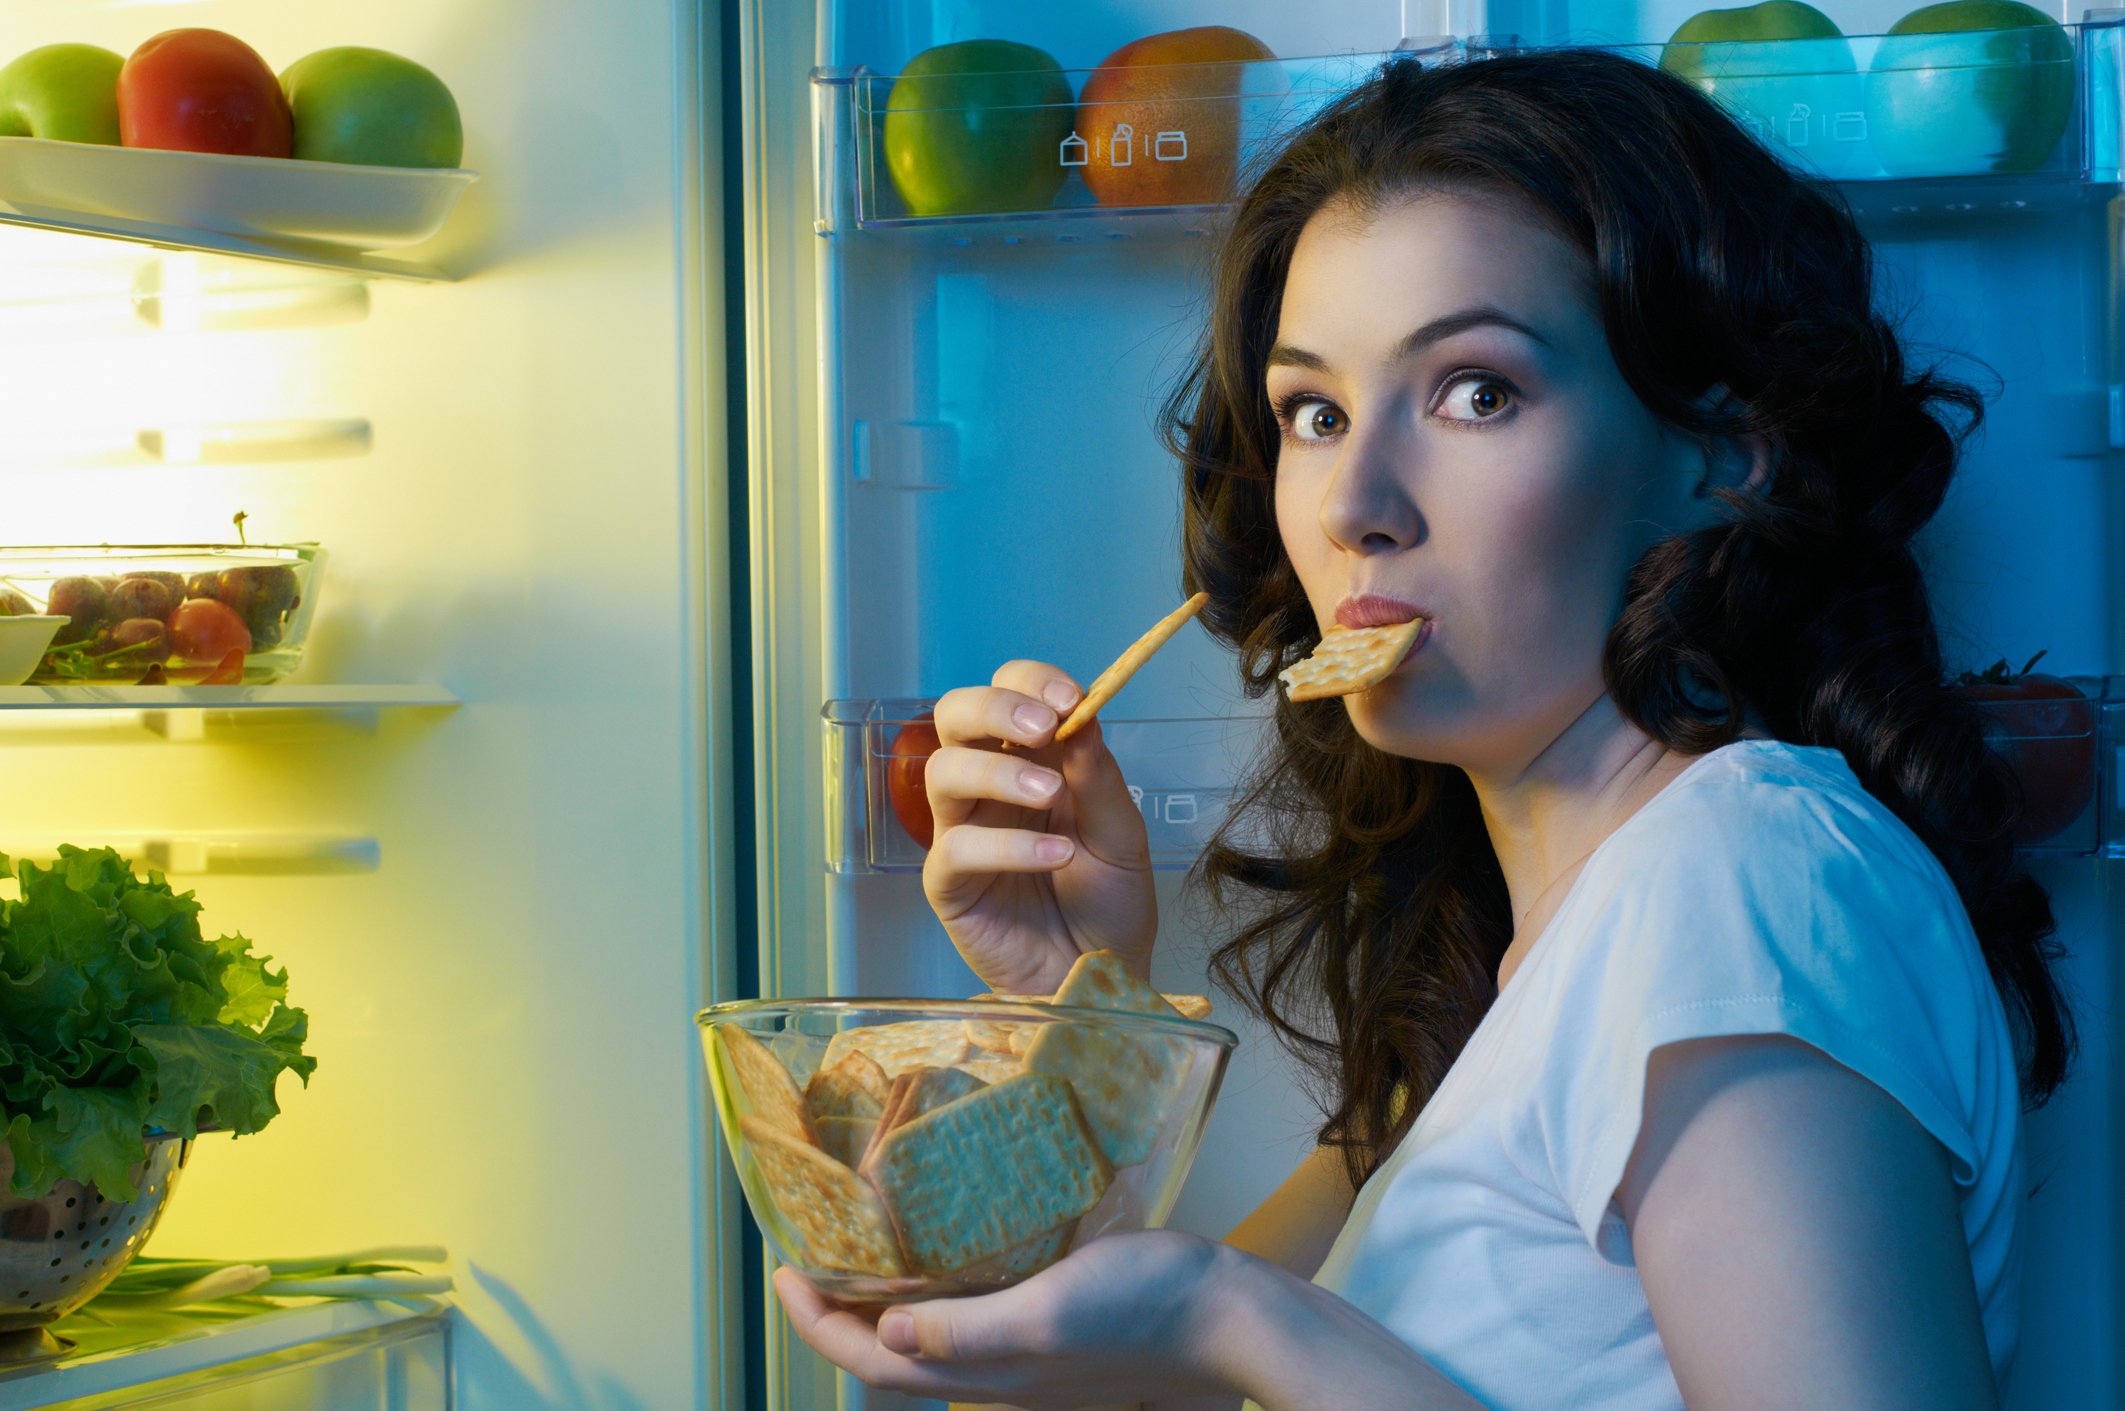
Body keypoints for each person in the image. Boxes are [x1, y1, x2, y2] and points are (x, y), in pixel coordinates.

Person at [774, 46, 2077, 1410]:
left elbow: (1224, 1343)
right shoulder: (1532, 964)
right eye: (1315, 412)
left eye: (1475, 391)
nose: (1352, 503)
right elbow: (1145, 1383)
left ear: (1717, 455)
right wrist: (1080, 999)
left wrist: (1230, 1315)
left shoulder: (1738, 888)